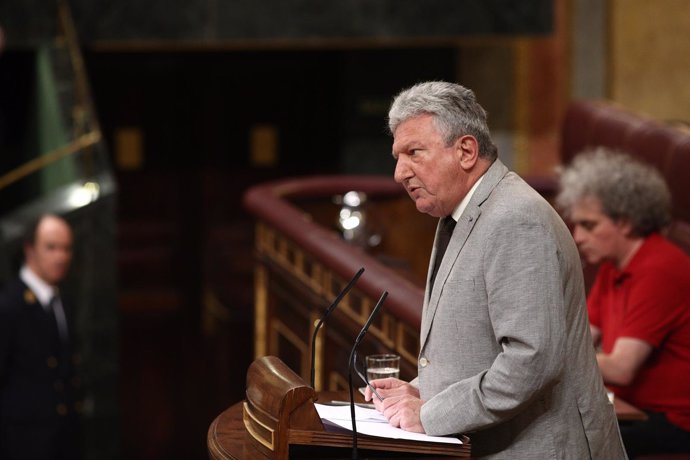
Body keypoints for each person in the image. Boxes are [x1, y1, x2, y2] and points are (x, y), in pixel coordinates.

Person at [363, 81, 626, 458]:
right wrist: (421, 391)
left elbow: (530, 360)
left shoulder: (515, 219)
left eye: (414, 153)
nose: (399, 173)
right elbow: (480, 345)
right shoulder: (464, 210)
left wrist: (431, 414)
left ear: (466, 151)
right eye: (397, 156)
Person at [556, 148, 690, 457]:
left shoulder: (659, 270)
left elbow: (620, 368)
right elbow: (580, 338)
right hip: (632, 409)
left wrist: (543, 360)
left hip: (672, 423)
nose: (576, 237)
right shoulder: (611, 267)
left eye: (589, 225)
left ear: (626, 222)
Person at [0, 214, 82, 460]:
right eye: (51, 247)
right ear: (29, 249)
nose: (61, 256)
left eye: (66, 249)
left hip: (64, 438)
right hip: (23, 443)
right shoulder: (9, 305)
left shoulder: (62, 299)